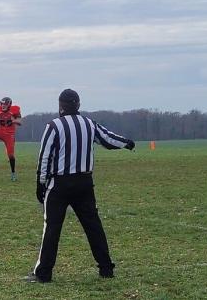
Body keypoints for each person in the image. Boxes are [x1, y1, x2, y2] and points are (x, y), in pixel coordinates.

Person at [26, 89, 136, 283]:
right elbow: (108, 139)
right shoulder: (89, 124)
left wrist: (40, 182)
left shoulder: (53, 126)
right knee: (93, 226)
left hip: (59, 184)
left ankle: (43, 273)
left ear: (60, 106)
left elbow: (45, 156)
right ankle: (106, 268)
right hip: (84, 182)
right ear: (78, 105)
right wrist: (127, 143)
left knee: (51, 228)